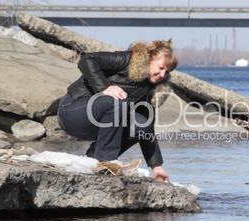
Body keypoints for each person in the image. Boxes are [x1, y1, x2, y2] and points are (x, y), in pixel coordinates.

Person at [57, 39, 177, 182]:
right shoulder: (127, 59)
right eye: (161, 67)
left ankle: (95, 156)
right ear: (150, 58)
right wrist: (105, 87)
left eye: (167, 71)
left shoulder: (148, 87)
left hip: (100, 124)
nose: (163, 74)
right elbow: (87, 59)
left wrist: (157, 167)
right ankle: (106, 161)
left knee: (143, 125)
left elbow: (147, 130)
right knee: (119, 103)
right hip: (72, 113)